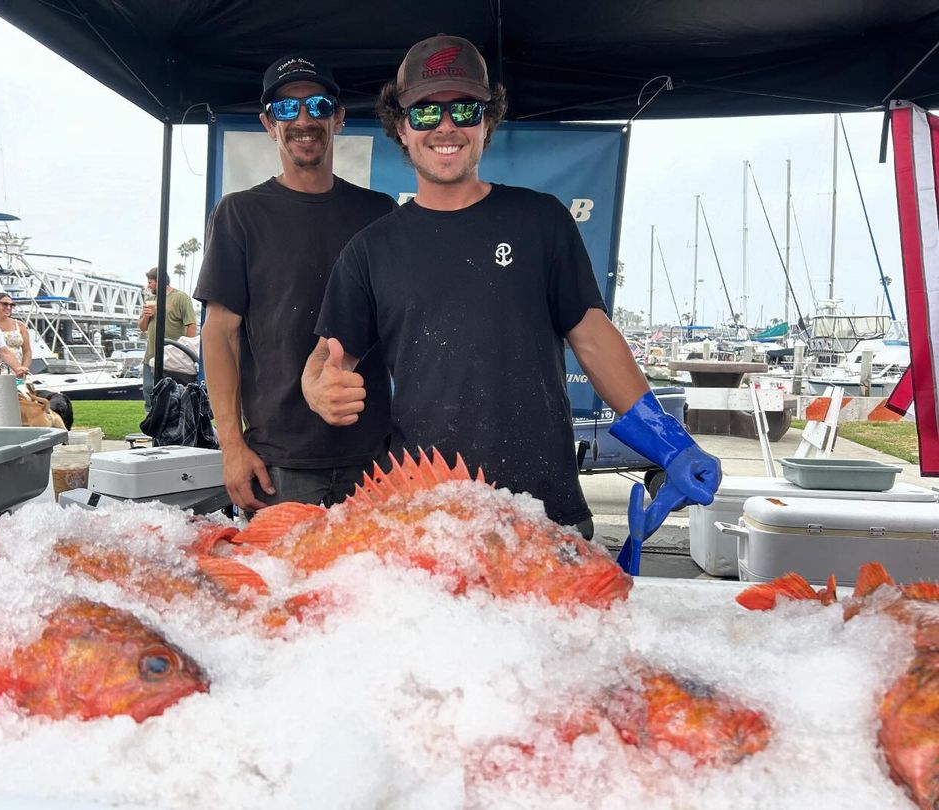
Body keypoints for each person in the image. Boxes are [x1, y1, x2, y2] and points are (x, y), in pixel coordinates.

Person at [303, 35, 721, 537]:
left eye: (465, 109)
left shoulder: (541, 219)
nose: (447, 127)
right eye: (425, 114)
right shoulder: (370, 249)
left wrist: (669, 442)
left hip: (545, 510)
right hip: (427, 520)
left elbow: (593, 336)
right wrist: (316, 387)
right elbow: (328, 359)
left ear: (488, 121)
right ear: (401, 126)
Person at [194, 54, 397, 513]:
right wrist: (231, 448)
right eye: (286, 109)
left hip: (375, 462)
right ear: (269, 123)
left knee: (377, 586)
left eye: (319, 105)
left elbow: (403, 327)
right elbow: (219, 334)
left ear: (338, 117)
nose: (303, 119)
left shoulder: (379, 212)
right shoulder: (239, 213)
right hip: (279, 464)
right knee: (281, 586)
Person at [139, 267, 196, 410]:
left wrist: (186, 353)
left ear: (160, 281)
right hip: (150, 356)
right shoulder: (150, 299)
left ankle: (173, 427)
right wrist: (146, 315)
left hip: (171, 359)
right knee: (149, 392)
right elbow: (142, 327)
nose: (148, 285)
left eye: (150, 282)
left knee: (174, 397)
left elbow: (191, 325)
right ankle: (152, 426)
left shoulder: (180, 298)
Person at [0, 291, 32, 373]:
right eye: (5, 304)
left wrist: (23, 369)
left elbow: (27, 350)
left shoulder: (19, 325)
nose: (8, 307)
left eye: (11, 305)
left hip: (17, 371)